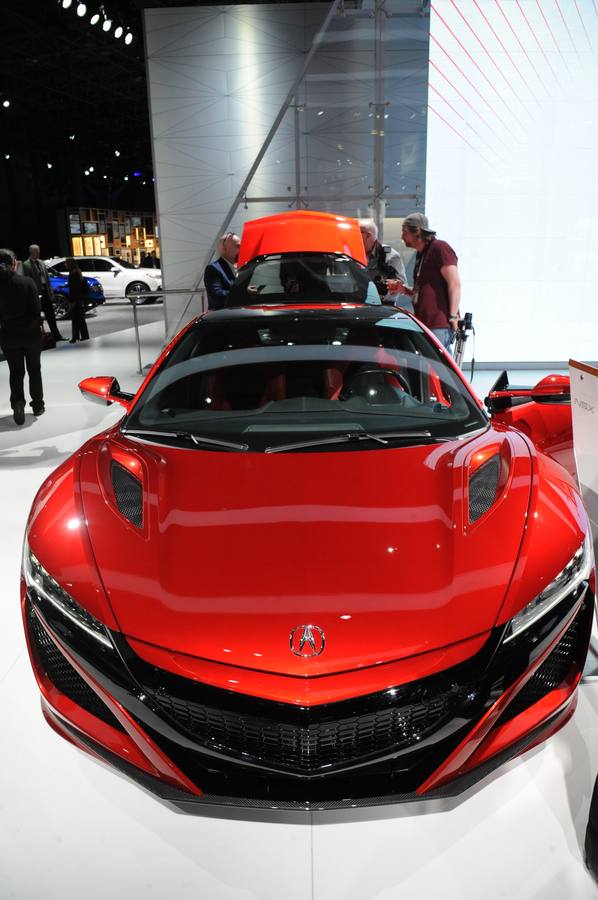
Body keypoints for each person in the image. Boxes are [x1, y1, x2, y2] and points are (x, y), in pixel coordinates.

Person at [394, 212, 461, 351]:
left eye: (404, 232)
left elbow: (455, 283)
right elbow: (424, 290)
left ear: (417, 231)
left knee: (437, 368)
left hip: (438, 324)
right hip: (426, 322)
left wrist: (453, 317)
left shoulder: (440, 248)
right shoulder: (421, 254)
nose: (402, 237)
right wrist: (404, 289)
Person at [0, 248, 45, 425]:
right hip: (30, 335)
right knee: (34, 370)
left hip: (8, 336)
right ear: (14, 263)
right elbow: (36, 311)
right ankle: (37, 405)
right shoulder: (27, 283)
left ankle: (17, 403)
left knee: (16, 372)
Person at [22, 244, 65, 342]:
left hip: (45, 292)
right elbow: (28, 281)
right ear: (31, 252)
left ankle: (57, 336)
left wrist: (51, 294)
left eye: (39, 251)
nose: (38, 253)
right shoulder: (26, 264)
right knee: (36, 318)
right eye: (36, 252)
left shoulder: (41, 262)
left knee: (51, 316)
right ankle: (38, 339)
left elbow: (47, 279)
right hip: (36, 294)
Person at [358, 218, 407, 301]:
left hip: (384, 306)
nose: (354, 237)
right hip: (359, 303)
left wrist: (381, 295)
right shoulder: (354, 253)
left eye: (357, 233)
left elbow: (402, 285)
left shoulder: (390, 256)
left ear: (368, 235)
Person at [204, 232, 240, 310]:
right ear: (224, 248)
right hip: (223, 318)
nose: (241, 249)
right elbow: (216, 296)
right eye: (237, 246)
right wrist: (242, 292)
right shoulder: (213, 268)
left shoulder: (241, 268)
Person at [65, 257, 90, 343]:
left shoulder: (73, 274)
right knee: (79, 319)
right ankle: (81, 336)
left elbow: (74, 289)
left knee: (76, 319)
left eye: (66, 263)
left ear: (70, 264)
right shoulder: (77, 272)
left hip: (76, 299)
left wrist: (72, 301)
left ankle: (77, 336)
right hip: (79, 299)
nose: (65, 265)